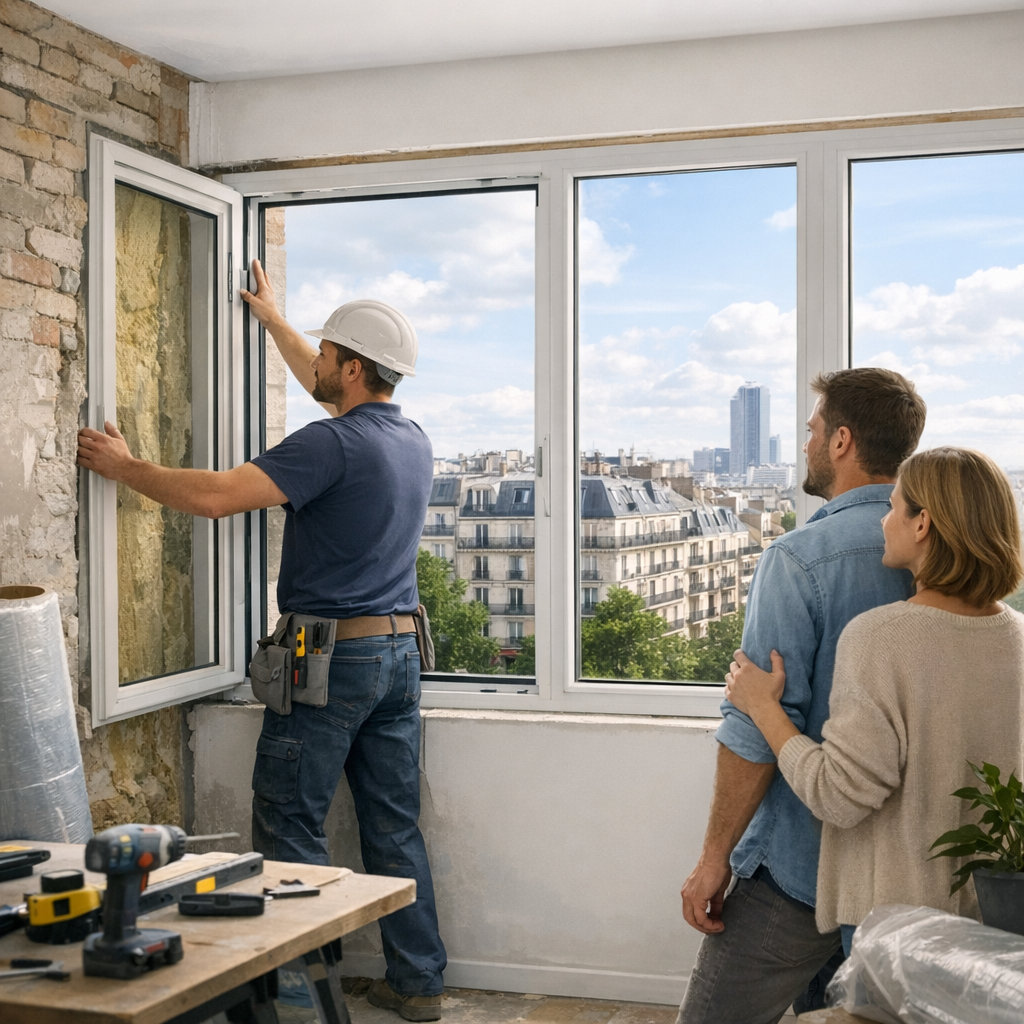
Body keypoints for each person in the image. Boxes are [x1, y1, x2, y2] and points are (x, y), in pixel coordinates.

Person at [77, 257, 447, 1021]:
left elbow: (216, 499)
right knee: (392, 824)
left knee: (289, 821)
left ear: (349, 367)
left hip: (330, 654)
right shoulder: (409, 440)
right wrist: (277, 321)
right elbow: (330, 389)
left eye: (323, 354)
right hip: (400, 651)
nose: (314, 361)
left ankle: (302, 995)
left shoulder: (328, 445)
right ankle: (418, 986)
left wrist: (127, 466)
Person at [677, 367, 926, 1024]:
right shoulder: (941, 552)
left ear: (842, 441)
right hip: (906, 875)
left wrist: (714, 860)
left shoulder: (800, 558)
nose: (807, 444)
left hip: (801, 865)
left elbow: (758, 726)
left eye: (813, 430)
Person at [724, 446, 1024, 957]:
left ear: (922, 523)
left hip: (896, 924)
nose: (882, 522)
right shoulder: (1015, 635)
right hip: (997, 913)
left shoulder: (881, 636)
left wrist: (764, 708)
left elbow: (839, 795)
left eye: (891, 507)